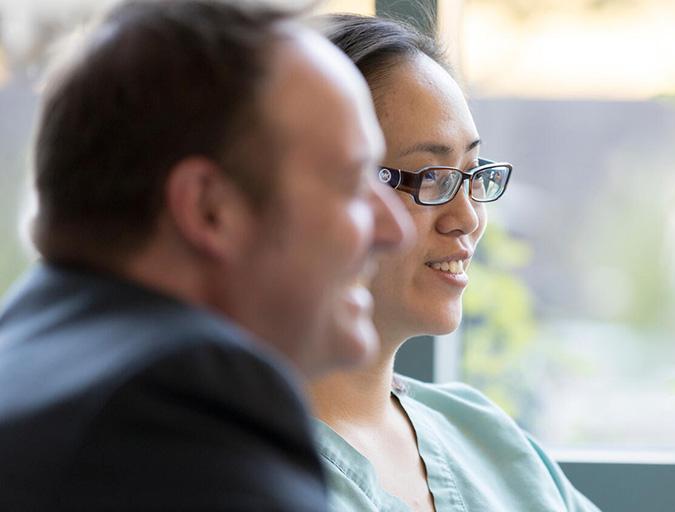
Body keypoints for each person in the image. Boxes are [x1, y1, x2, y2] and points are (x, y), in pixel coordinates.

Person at [0, 1, 411, 509]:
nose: (395, 228)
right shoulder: (174, 411)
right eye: (351, 182)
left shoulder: (34, 362)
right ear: (210, 208)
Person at [308, 14, 599, 511]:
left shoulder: (483, 436)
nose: (468, 218)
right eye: (429, 176)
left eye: (471, 172)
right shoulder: (231, 470)